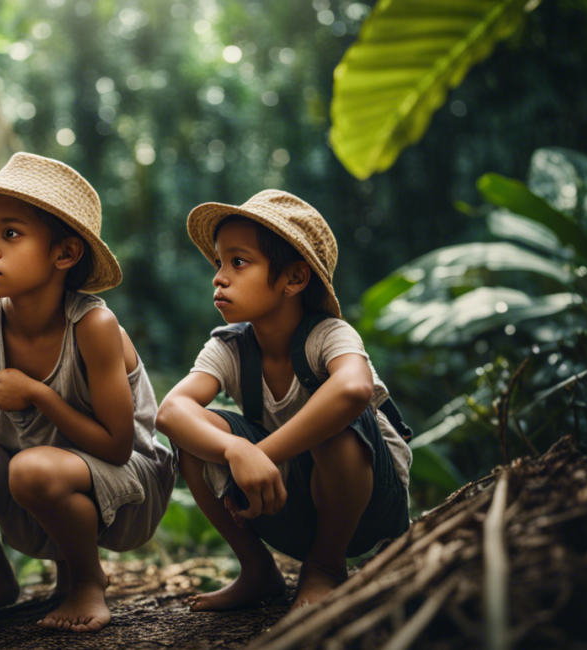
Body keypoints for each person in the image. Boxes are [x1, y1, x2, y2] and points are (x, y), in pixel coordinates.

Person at [0, 152, 176, 633]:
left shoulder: (94, 325)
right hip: (27, 480)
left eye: (10, 233)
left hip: (128, 488)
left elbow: (118, 445)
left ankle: (88, 581)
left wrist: (39, 394)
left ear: (65, 254)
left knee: (33, 469)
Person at [155, 189, 412, 613]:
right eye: (219, 262)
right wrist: (235, 449)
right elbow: (171, 411)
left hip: (367, 508)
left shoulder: (330, 336)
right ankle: (258, 570)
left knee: (336, 422)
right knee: (193, 436)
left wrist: (261, 454)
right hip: (278, 502)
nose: (219, 277)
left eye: (238, 262)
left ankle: (326, 566)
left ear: (294, 278)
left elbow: (352, 390)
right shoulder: (230, 347)